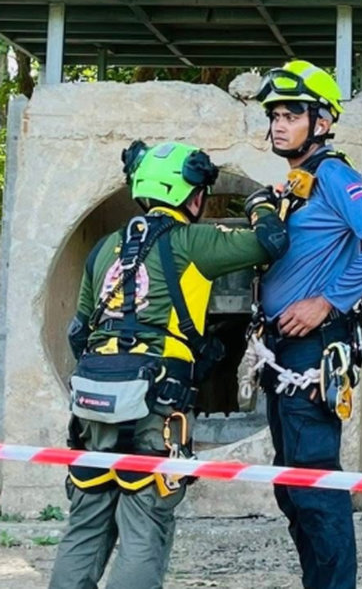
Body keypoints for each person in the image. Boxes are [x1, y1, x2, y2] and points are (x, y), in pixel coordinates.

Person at [48, 140, 288, 589]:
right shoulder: (193, 241)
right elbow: (271, 243)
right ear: (192, 196)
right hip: (156, 403)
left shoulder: (105, 249)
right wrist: (261, 205)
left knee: (86, 522)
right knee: (144, 523)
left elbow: (79, 332)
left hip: (93, 403)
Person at [254, 60, 362, 589]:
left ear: (321, 122)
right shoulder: (300, 182)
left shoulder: (335, 175)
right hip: (283, 350)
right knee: (291, 485)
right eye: (274, 114)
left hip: (312, 351)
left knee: (314, 485)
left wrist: (328, 301)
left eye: (292, 114)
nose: (278, 123)